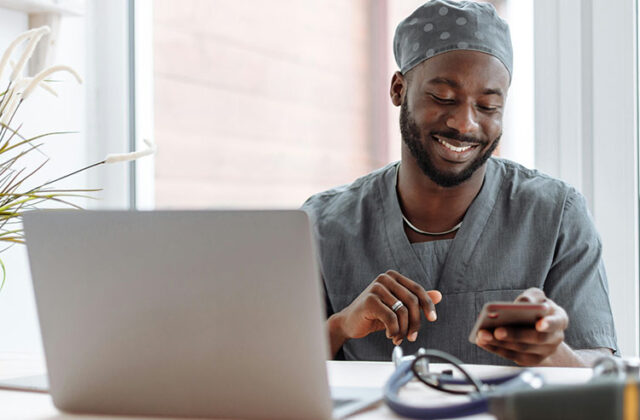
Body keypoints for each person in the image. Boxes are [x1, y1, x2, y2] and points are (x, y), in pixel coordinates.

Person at [302, 0, 617, 367]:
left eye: (487, 106)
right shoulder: (323, 225)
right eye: (443, 97)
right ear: (398, 89)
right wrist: (340, 326)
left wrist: (551, 352)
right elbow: (266, 373)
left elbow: (599, 371)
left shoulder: (555, 215)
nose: (465, 124)